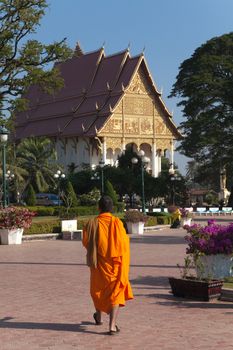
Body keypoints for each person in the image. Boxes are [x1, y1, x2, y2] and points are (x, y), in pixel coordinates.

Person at [82, 195, 133, 335]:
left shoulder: (91, 223)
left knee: (97, 290)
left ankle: (98, 316)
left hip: (98, 264)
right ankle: (111, 325)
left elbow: (86, 242)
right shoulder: (117, 223)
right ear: (112, 209)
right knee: (115, 293)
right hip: (116, 265)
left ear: (98, 208)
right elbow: (124, 244)